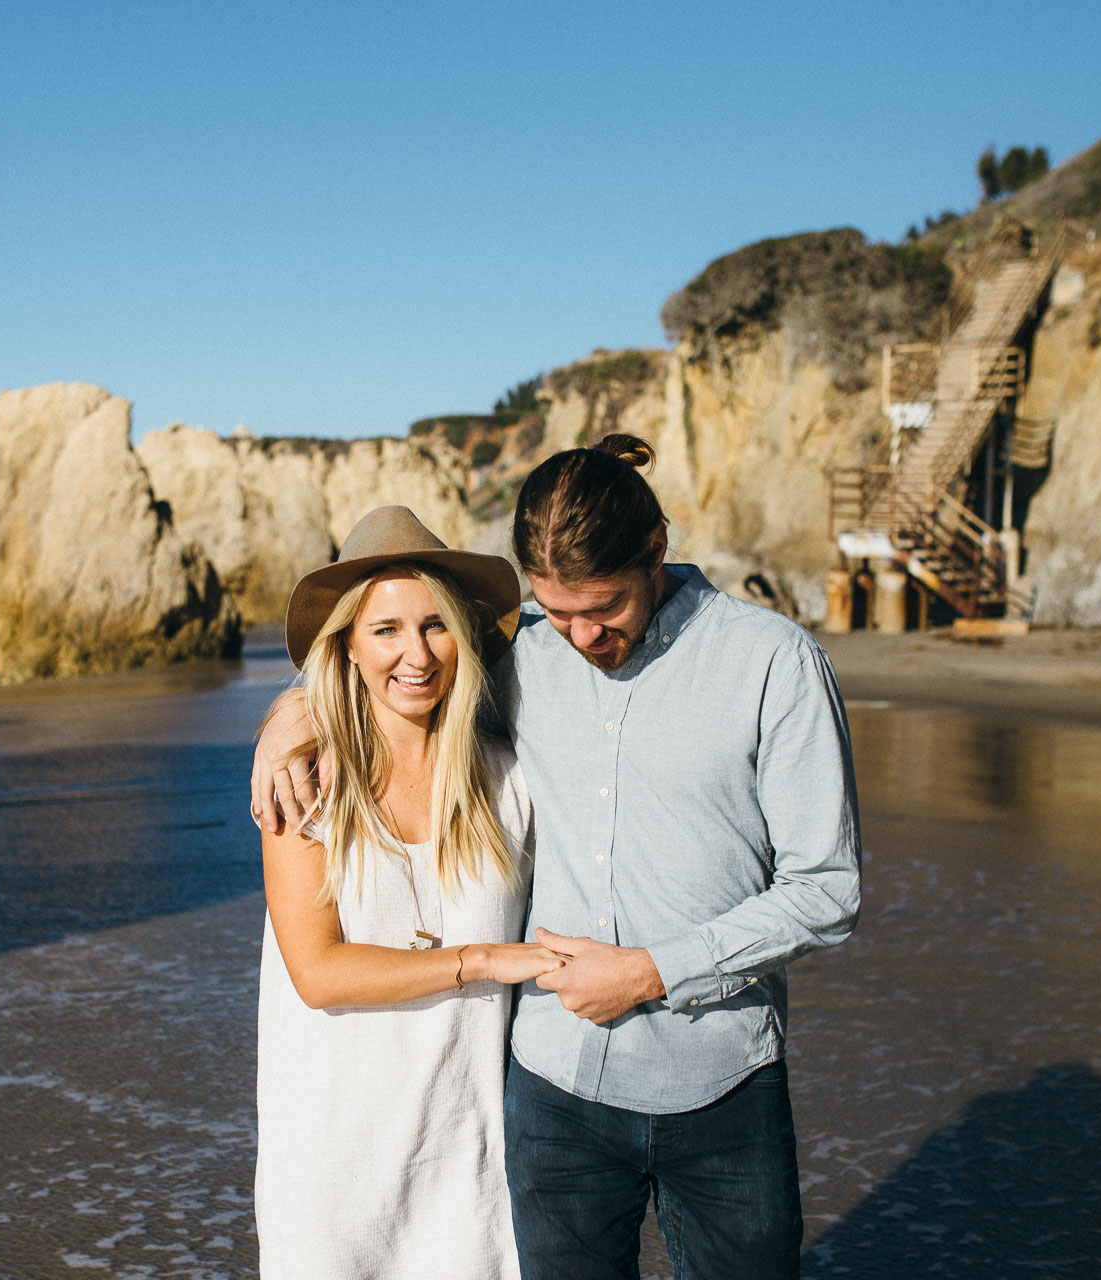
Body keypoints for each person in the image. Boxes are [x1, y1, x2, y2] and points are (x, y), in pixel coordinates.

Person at [255, 436, 862, 1280]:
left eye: (603, 607)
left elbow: (826, 890)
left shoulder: (774, 665)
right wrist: (289, 720)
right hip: (554, 1093)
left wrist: (653, 971)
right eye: (556, 608)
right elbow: (393, 667)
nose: (579, 635)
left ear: (655, 550)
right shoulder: (522, 656)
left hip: (723, 1079)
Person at [253, 505, 565, 1280]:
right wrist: (480, 960)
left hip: (468, 1165)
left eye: (435, 626)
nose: (416, 654)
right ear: (348, 647)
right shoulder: (305, 786)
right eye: (385, 630)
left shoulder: (512, 783)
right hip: (332, 1173)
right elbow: (319, 974)